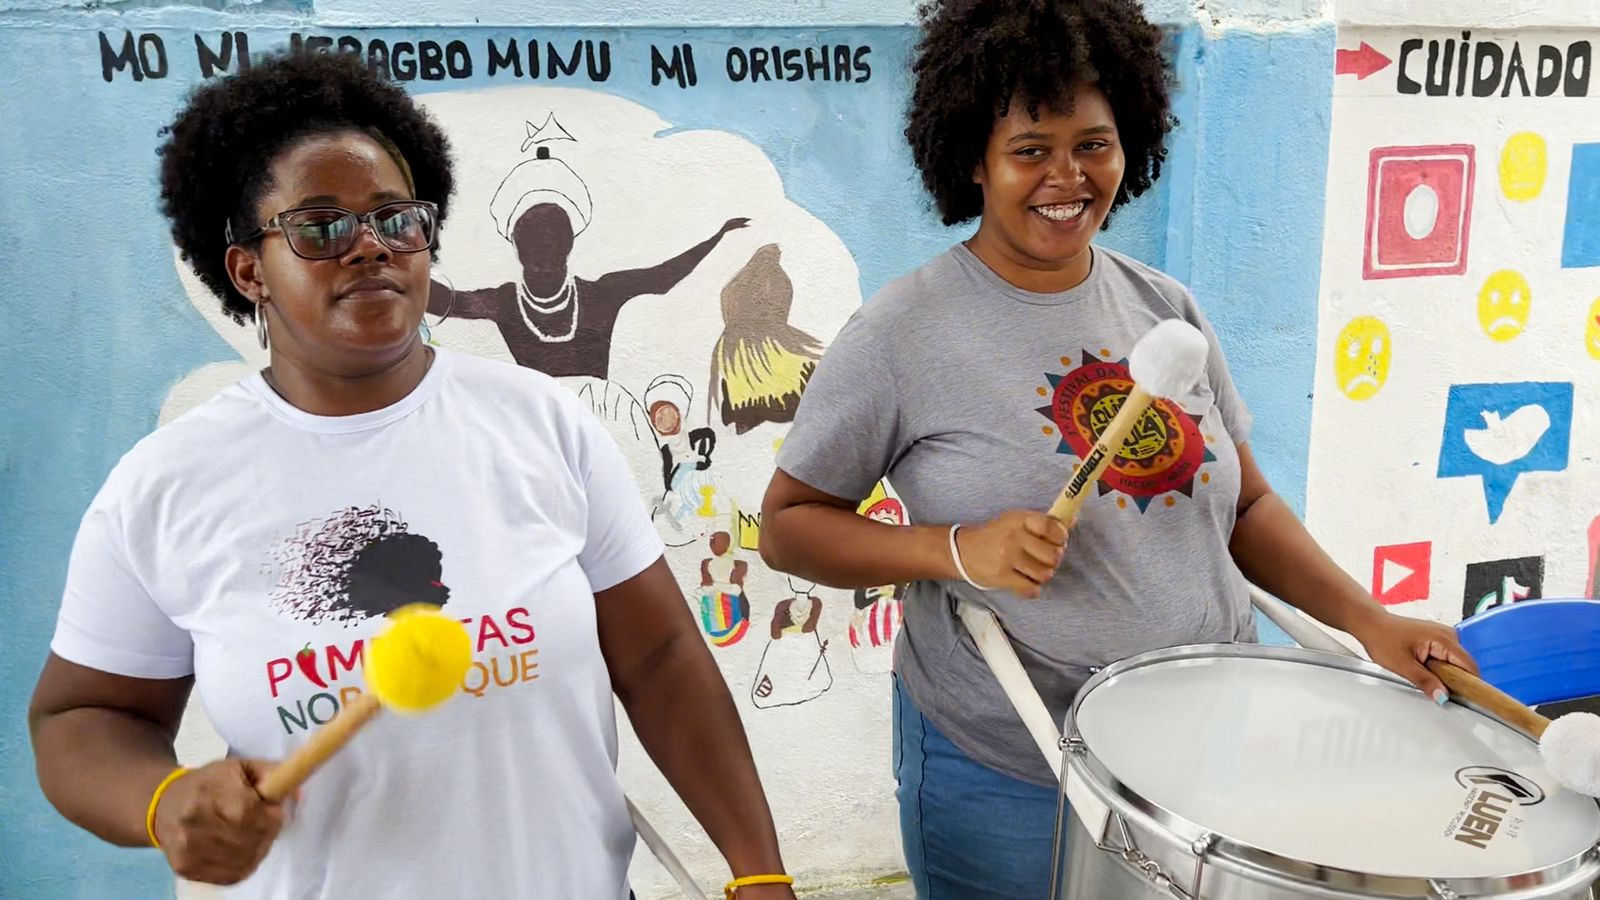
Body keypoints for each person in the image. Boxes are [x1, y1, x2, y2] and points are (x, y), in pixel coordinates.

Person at [27, 51, 795, 900]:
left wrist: (757, 870)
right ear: (249, 271)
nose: (369, 247)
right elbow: (81, 718)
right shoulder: (165, 486)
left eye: (396, 219)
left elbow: (658, 658)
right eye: (320, 227)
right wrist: (162, 800)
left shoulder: (544, 424)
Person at [757, 1, 1478, 897]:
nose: (1068, 176)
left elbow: (1245, 506)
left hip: (1204, 749)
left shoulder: (1165, 306)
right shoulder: (900, 335)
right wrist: (953, 550)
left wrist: (1368, 622)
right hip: (1012, 772)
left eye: (1093, 144)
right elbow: (788, 526)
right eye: (1031, 151)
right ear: (972, 162)